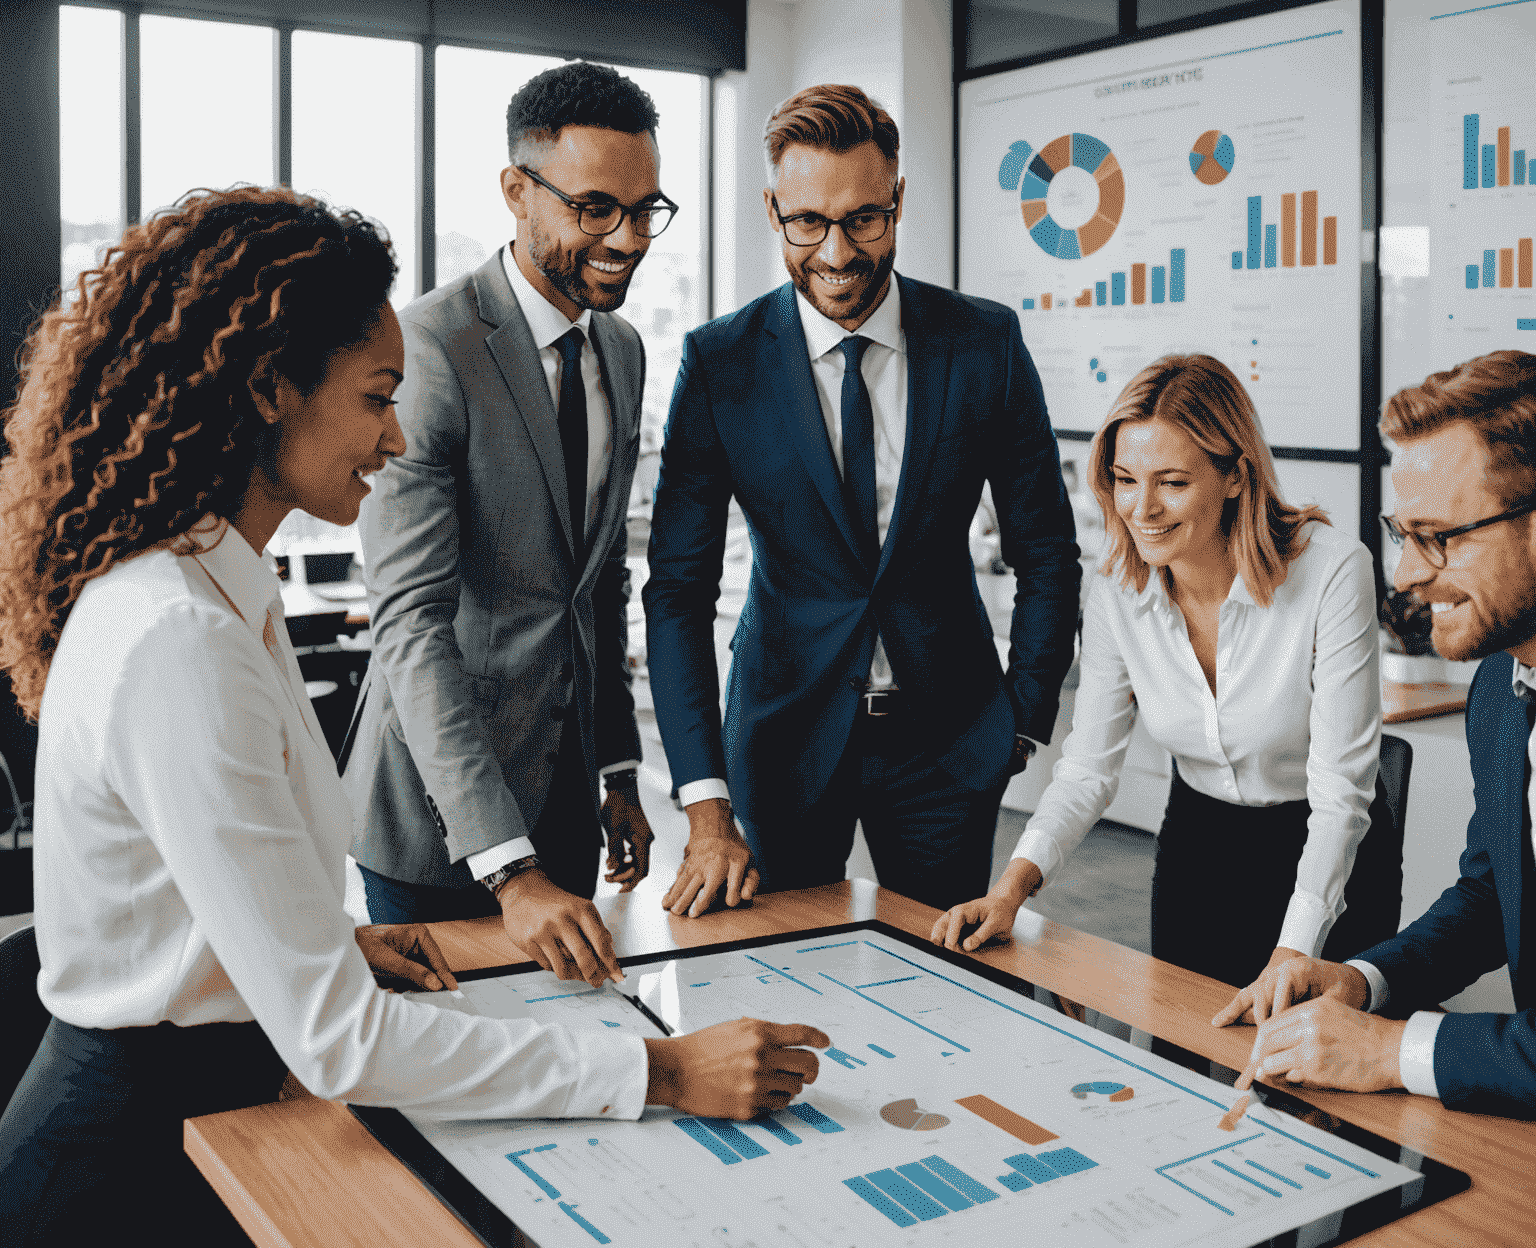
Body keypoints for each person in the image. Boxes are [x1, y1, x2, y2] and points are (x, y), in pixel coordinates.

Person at [0, 187, 829, 1245]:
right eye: (375, 397)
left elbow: (177, 893)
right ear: (269, 389)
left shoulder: (208, 594)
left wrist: (330, 942)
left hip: (202, 1095)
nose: (394, 439)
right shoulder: (179, 639)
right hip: (122, 1169)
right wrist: (660, 1068)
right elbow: (338, 1045)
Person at [643, 83, 1080, 914]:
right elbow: (676, 593)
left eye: (864, 220)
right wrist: (705, 797)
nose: (837, 253)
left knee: (951, 986)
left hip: (948, 742)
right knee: (782, 987)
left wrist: (1022, 717)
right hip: (780, 737)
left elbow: (1048, 553)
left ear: (899, 201)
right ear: (773, 212)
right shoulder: (719, 365)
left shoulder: (984, 343)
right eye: (808, 222)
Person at [934, 353, 1395, 994]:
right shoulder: (1120, 587)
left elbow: (1342, 795)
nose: (1141, 508)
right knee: (1183, 1057)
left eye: (1172, 483)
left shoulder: (1333, 571)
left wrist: (1293, 949)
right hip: (1198, 847)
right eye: (1125, 480)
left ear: (1236, 475)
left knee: (1307, 1074)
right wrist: (1009, 890)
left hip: (1326, 851)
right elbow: (1089, 767)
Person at [344, 61, 662, 986]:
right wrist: (509, 868)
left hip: (564, 798)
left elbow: (597, 583)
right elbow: (411, 624)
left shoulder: (626, 350)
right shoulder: (431, 349)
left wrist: (617, 772)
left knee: (565, 1048)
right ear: (517, 192)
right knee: (451, 1075)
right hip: (439, 824)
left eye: (645, 211)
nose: (627, 238)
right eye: (596, 208)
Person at [1218, 351, 1536, 1117]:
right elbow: (1497, 894)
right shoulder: (1503, 687)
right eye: (1403, 533)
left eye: (1437, 537)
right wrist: (1363, 982)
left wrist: (1394, 1050)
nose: (1403, 576)